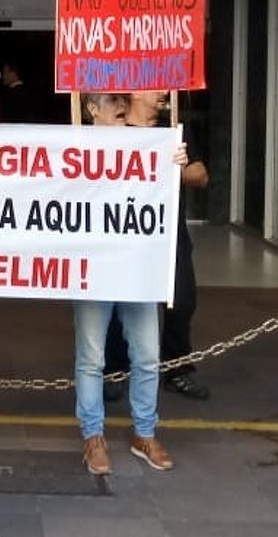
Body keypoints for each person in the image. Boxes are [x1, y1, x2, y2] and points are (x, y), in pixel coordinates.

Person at [76, 92, 181, 475]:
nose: (122, 106)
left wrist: (172, 162)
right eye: (112, 101)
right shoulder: (73, 147)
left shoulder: (146, 144)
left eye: (123, 99)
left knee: (148, 354)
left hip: (138, 267)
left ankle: (145, 433)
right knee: (92, 358)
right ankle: (93, 436)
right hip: (94, 269)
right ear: (91, 109)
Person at [104, 91, 211, 401]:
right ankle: (115, 370)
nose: (164, 92)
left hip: (170, 235)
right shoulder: (114, 131)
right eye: (156, 87)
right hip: (125, 234)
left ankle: (177, 370)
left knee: (182, 300)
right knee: (118, 302)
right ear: (135, 93)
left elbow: (201, 176)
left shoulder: (174, 130)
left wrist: (176, 166)